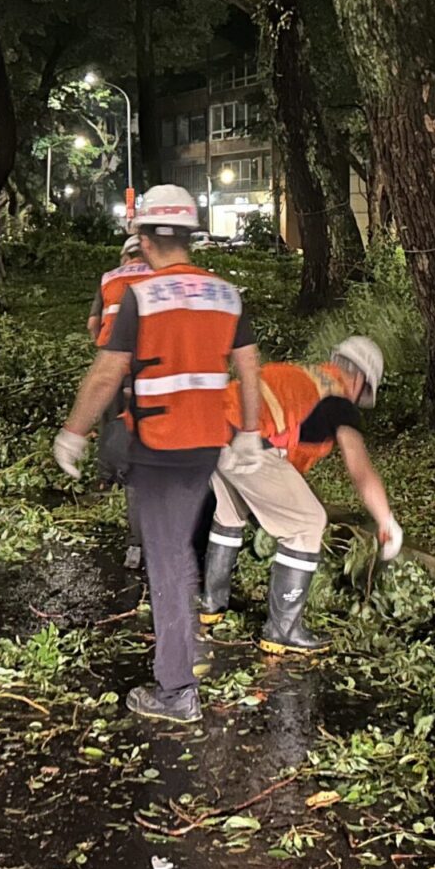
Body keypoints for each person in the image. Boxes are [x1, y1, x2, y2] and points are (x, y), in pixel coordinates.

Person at [53, 185, 263, 725]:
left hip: (157, 446)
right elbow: (248, 369)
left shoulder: (144, 297)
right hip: (205, 445)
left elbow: (106, 373)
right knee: (175, 555)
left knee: (166, 562)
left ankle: (176, 690)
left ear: (144, 239)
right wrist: (250, 433)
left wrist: (74, 432)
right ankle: (179, 664)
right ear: (190, 236)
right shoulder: (227, 295)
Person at [200, 336, 405, 653]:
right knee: (309, 522)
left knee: (230, 513)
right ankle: (282, 631)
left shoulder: (304, 378)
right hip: (246, 443)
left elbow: (285, 457)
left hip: (211, 430)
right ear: (361, 378)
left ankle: (211, 605)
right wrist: (386, 521)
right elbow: (360, 469)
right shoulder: (337, 400)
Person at [89, 235, 157, 569]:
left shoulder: (109, 278)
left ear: (124, 255)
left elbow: (93, 323)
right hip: (145, 360)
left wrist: (103, 349)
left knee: (111, 418)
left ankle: (108, 475)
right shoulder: (158, 277)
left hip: (112, 359)